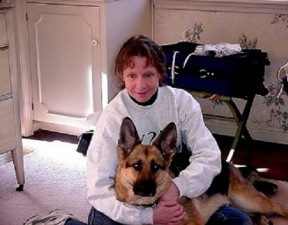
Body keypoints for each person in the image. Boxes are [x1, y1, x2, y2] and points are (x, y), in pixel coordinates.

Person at [85, 35, 252, 225]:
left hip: (170, 193)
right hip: (126, 204)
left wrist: (177, 187)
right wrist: (147, 217)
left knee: (240, 222)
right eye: (132, 75)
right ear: (122, 75)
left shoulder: (182, 103)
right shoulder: (112, 117)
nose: (140, 85)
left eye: (148, 74)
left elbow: (210, 156)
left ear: (160, 74)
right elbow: (97, 188)